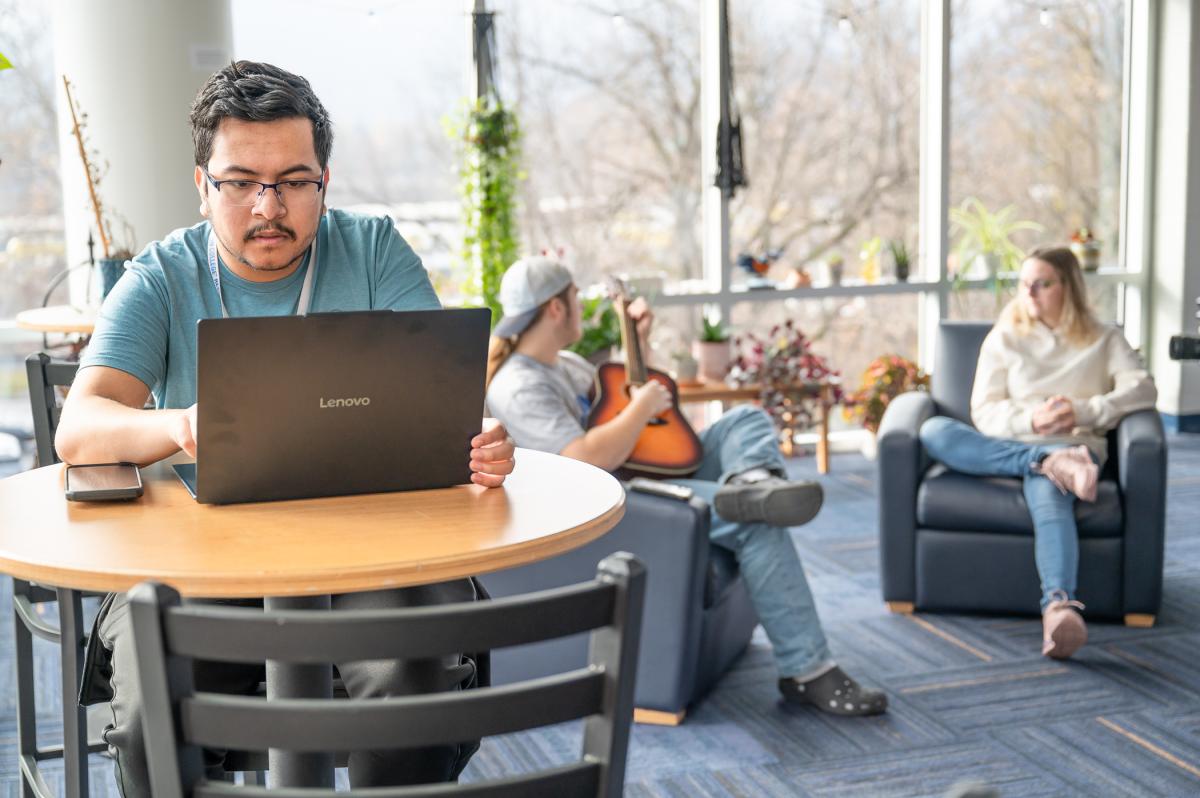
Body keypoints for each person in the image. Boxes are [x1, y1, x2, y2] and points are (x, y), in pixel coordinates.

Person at [54, 61, 515, 793]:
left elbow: (445, 397)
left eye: (296, 181)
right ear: (203, 186)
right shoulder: (161, 276)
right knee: (149, 714)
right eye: (240, 182)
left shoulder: (372, 250)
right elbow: (78, 427)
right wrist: (179, 425)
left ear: (324, 181)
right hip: (202, 560)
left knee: (415, 686)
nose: (269, 206)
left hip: (376, 552)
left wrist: (479, 436)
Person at [484, 255, 887, 717]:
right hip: (618, 506)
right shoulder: (518, 384)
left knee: (744, 421)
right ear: (556, 309)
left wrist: (640, 345)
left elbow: (631, 408)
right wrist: (643, 406)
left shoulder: (566, 365)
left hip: (638, 475)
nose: (580, 306)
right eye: (575, 298)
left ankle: (752, 482)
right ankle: (809, 670)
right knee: (756, 522)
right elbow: (583, 459)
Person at [919, 246, 1156, 659]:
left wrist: (1080, 411)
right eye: (1024, 283)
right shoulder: (1006, 336)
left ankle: (1059, 607)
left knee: (1050, 502)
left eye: (1042, 283)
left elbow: (1143, 388)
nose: (1029, 292)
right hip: (1016, 444)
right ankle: (1047, 463)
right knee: (934, 430)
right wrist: (1032, 421)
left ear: (1069, 287)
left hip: (1076, 447)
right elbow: (984, 411)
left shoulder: (1104, 337)